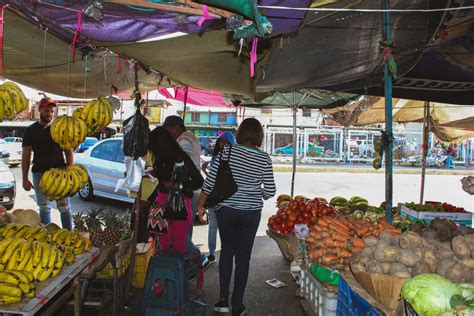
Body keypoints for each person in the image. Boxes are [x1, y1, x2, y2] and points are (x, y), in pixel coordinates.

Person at [197, 118, 276, 316]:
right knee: (243, 258)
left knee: (227, 252)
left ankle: (222, 300)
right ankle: (238, 305)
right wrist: (258, 195)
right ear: (259, 135)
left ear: (240, 134)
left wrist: (200, 205)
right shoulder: (264, 158)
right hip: (250, 213)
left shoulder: (228, 151)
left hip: (226, 211)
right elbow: (271, 190)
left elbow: (210, 182)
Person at [148, 127, 203, 253]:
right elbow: (161, 183)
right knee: (161, 245)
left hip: (179, 204)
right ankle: (164, 271)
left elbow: (199, 181)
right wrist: (149, 199)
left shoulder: (181, 158)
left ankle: (180, 270)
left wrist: (178, 186)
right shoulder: (159, 159)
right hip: (161, 205)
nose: (153, 152)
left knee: (179, 246)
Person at [21, 98, 73, 230]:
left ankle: (69, 235)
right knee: (44, 208)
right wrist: (24, 178)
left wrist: (70, 173)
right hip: (40, 173)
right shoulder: (30, 131)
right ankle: (46, 237)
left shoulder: (59, 129)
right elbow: (26, 156)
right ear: (39, 110)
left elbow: (69, 152)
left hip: (60, 173)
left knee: (65, 207)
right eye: (46, 110)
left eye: (51, 111)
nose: (49, 114)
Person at [162, 116, 204, 258]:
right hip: (194, 189)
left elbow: (183, 164)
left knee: (178, 230)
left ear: (175, 127)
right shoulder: (190, 137)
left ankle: (196, 256)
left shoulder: (184, 141)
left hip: (187, 189)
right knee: (186, 228)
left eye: (168, 132)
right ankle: (187, 260)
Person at [201, 131, 236, 263]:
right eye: (221, 142)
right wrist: (205, 170)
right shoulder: (216, 157)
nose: (223, 145)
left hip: (227, 200)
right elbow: (212, 180)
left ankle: (226, 253)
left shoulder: (235, 159)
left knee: (226, 229)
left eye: (226, 142)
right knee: (213, 227)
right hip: (214, 198)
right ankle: (211, 253)